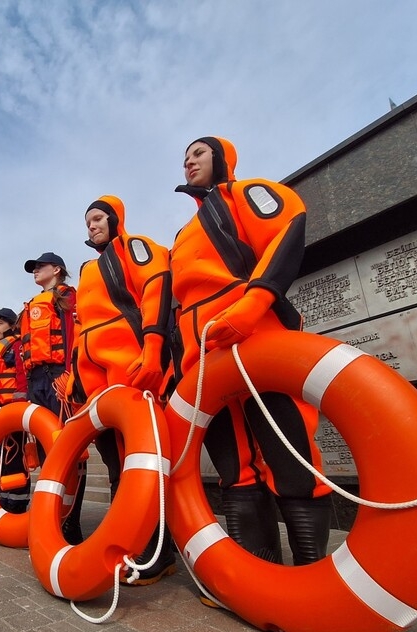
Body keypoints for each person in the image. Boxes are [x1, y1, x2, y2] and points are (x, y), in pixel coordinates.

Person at [172, 135, 332, 568]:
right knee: (233, 467)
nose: (189, 163)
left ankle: (313, 573)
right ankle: (258, 575)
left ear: (223, 157)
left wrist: (254, 303)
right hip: (202, 358)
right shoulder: (182, 233)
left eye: (198, 154)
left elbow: (286, 230)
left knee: (288, 455)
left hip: (254, 337)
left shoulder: (247, 193)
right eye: (185, 158)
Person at [70, 194, 175, 584]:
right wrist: (77, 380)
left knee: (143, 460)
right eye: (87, 222)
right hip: (95, 379)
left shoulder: (136, 247)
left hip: (132, 366)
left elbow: (156, 289)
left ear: (115, 218)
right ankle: (127, 540)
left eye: (97, 218)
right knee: (116, 462)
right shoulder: (87, 269)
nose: (92, 226)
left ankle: (159, 549)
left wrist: (153, 349)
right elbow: (83, 328)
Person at [19, 252, 85, 543]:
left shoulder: (67, 297)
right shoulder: (30, 307)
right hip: (36, 380)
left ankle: (71, 520)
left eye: (40, 266)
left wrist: (73, 373)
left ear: (56, 269)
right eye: (33, 268)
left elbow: (74, 334)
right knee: (46, 449)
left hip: (59, 375)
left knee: (68, 446)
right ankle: (51, 515)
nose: (35, 271)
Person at [0, 307, 29, 513]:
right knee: (1, 457)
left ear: (11, 324)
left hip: (10, 409)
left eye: (0, 323)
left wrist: (20, 403)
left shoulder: (15, 345)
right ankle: (5, 497)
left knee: (13, 456)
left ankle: (17, 500)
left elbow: (21, 373)